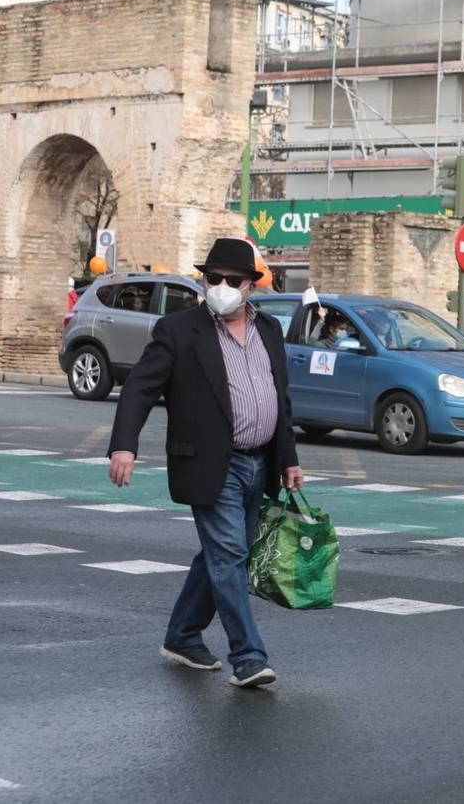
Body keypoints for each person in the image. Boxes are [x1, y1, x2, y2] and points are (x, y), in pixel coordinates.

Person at [107, 238, 303, 689]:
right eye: (212, 279)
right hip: (213, 464)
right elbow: (140, 387)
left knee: (223, 554)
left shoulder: (270, 330)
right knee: (230, 553)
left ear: (251, 286)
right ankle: (249, 656)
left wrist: (289, 458)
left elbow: (280, 399)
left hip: (260, 463)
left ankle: (182, 635)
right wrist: (123, 446)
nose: (221, 287)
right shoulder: (178, 330)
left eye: (232, 281)